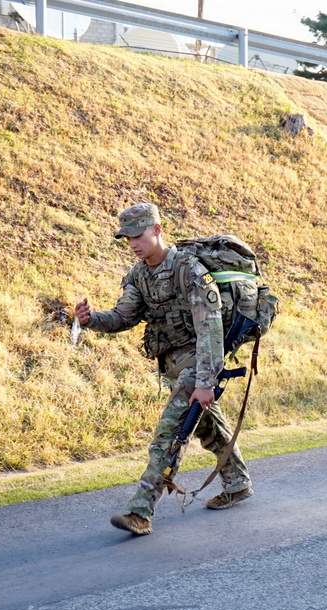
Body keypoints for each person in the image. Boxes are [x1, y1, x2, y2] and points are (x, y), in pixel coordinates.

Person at [75, 203, 253, 536]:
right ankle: (238, 481)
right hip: (174, 366)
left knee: (170, 434)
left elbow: (210, 330)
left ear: (157, 230)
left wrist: (205, 382)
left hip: (198, 365)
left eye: (138, 235)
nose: (132, 244)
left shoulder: (190, 270)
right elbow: (123, 317)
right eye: (127, 238)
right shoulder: (139, 274)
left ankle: (141, 511)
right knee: (208, 428)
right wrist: (91, 320)